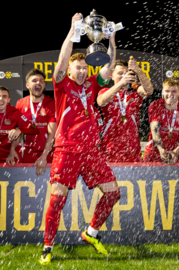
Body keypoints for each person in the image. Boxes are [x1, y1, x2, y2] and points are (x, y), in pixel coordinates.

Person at [40, 13, 120, 265]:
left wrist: (112, 41)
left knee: (113, 193)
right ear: (71, 71)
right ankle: (47, 247)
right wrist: (72, 31)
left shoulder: (93, 85)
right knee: (57, 199)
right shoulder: (62, 84)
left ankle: (91, 232)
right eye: (79, 68)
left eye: (85, 67)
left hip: (91, 150)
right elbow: (63, 59)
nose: (83, 70)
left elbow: (108, 65)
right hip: (67, 149)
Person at [97, 58, 154, 162]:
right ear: (112, 76)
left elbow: (149, 90)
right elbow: (102, 102)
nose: (124, 76)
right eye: (120, 73)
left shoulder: (135, 93)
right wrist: (121, 83)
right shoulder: (105, 91)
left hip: (133, 151)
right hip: (110, 151)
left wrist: (138, 70)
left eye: (126, 73)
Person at [15, 69, 56, 174]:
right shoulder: (20, 103)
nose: (38, 83)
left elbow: (52, 133)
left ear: (44, 85)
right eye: (34, 80)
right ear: (27, 85)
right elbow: (17, 132)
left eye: (41, 81)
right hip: (28, 155)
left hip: (48, 154)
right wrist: (12, 151)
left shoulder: (51, 104)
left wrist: (44, 156)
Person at [144, 78, 179, 163]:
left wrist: (175, 152)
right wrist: (161, 149)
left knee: (177, 176)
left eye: (173, 91)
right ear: (162, 91)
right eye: (167, 91)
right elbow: (155, 131)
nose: (170, 94)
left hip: (176, 153)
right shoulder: (155, 105)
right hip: (154, 152)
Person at [0, 87, 38, 164]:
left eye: (4, 96)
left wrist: (20, 130)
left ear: (8, 100)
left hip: (11, 155)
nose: (1, 99)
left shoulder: (15, 112)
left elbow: (34, 128)